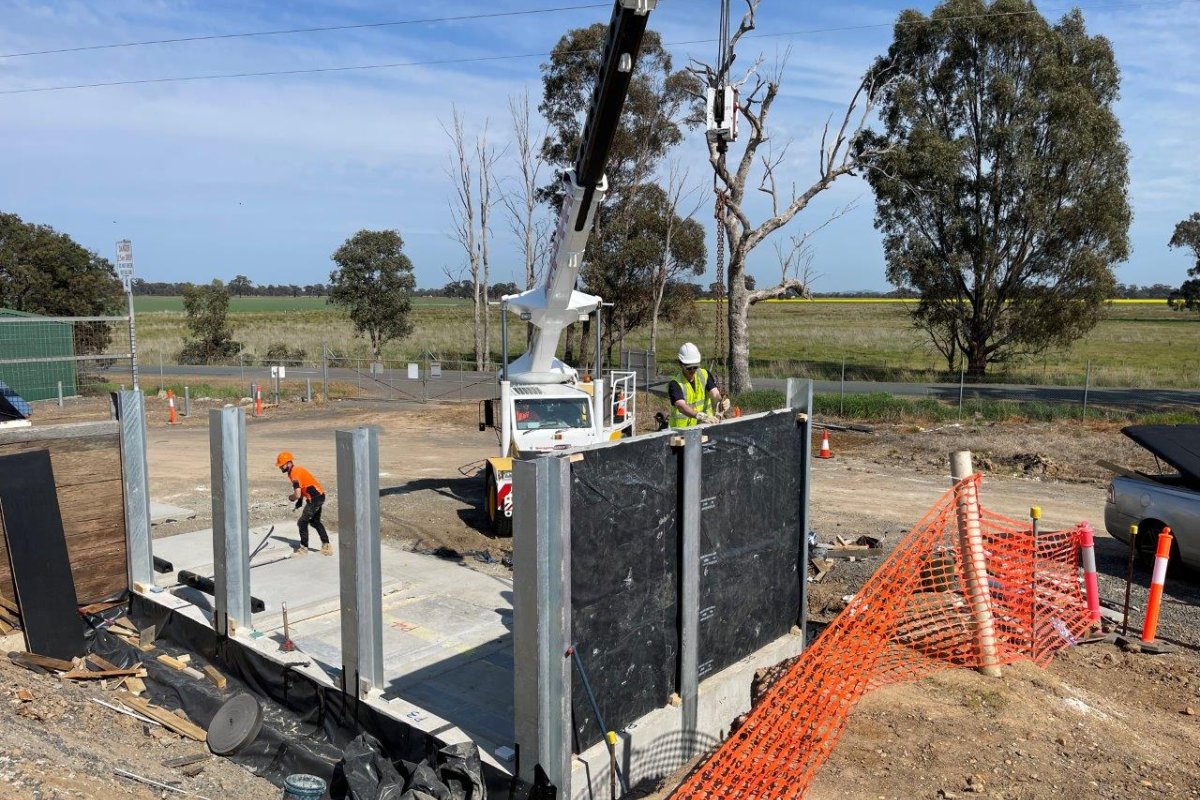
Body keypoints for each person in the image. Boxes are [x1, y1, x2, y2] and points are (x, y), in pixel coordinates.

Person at [275, 451, 332, 556]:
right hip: (319, 496)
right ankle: (326, 545)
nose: (280, 468)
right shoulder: (296, 470)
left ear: (288, 463)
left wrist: (292, 498)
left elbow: (297, 493)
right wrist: (300, 501)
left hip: (315, 498)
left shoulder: (294, 473)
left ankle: (303, 549)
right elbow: (303, 488)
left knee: (302, 522)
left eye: (281, 465)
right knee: (315, 522)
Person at [668, 342, 728, 427]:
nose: (692, 371)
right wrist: (700, 416)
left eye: (695, 367)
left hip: (704, 426)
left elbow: (715, 393)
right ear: (680, 364)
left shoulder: (704, 375)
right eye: (689, 368)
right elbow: (681, 406)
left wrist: (721, 401)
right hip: (681, 431)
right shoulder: (675, 383)